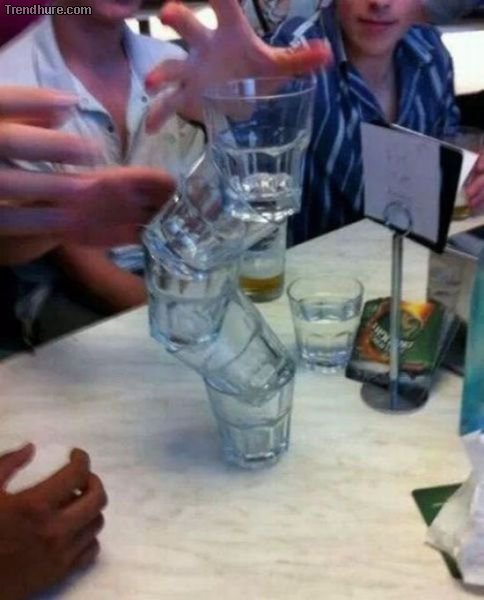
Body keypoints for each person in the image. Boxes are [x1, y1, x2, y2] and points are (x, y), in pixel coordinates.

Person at [0, 0, 329, 343]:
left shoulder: (174, 63)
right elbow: (78, 262)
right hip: (70, 302)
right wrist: (187, 315)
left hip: (182, 274)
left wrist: (237, 115)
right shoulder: (12, 81)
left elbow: (212, 208)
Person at [147, 0, 478, 243]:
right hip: (311, 290)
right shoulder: (290, 59)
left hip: (409, 270)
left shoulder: (431, 53)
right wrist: (225, 108)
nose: (379, 3)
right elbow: (240, 179)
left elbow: (445, 165)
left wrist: (470, 176)